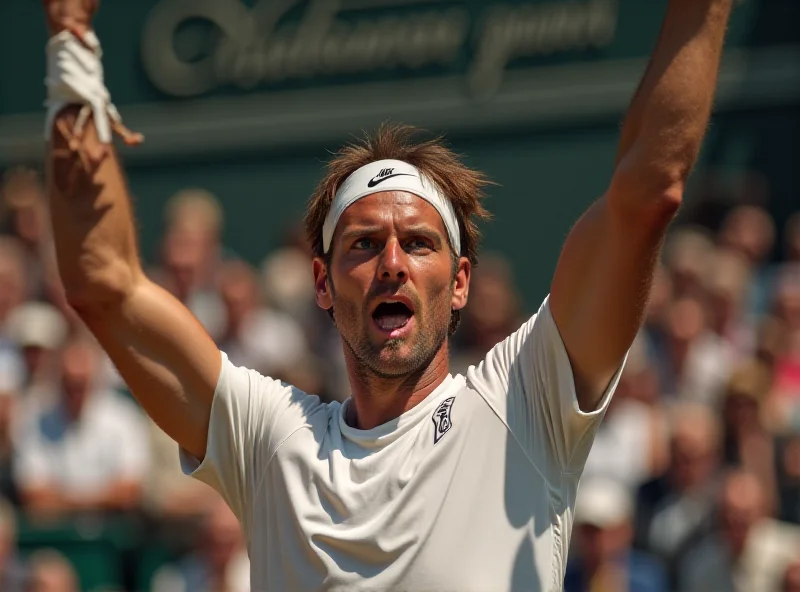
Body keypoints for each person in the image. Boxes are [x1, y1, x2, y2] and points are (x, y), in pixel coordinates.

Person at [40, 0, 734, 589]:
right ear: (321, 282)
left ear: (460, 283)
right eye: (364, 244)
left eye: (420, 243)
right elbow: (103, 284)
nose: (393, 264)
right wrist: (71, 46)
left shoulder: (526, 400)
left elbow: (650, 190)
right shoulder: (271, 441)